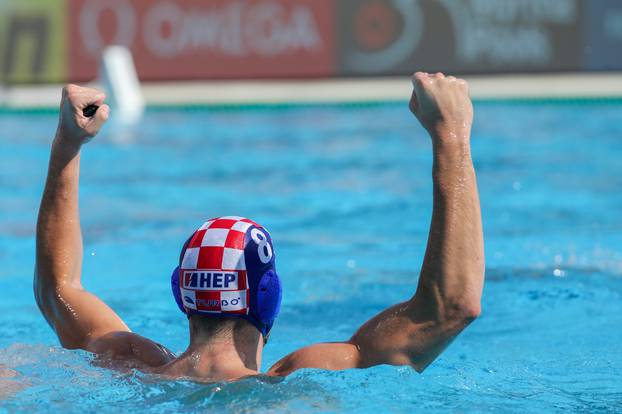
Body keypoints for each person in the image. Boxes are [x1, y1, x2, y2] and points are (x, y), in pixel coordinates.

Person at [34, 72, 484, 382]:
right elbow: (451, 307)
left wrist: (68, 143)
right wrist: (452, 136)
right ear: (268, 296)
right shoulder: (290, 386)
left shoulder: (127, 364)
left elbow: (59, 290)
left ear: (182, 291)